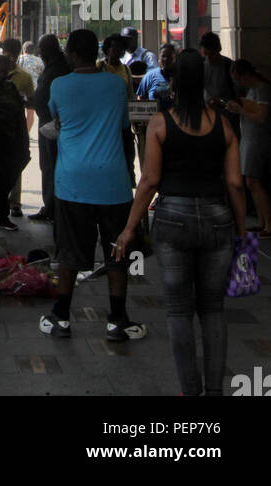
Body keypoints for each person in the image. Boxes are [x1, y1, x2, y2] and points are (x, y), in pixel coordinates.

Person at [114, 49, 245, 397]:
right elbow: (234, 183)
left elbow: (149, 181)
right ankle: (214, 391)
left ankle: (190, 391)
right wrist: (243, 230)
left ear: (172, 82)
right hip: (217, 219)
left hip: (172, 218)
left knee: (178, 311)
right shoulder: (224, 124)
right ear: (202, 81)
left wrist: (130, 228)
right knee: (213, 309)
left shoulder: (161, 123)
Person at [40, 28, 145, 343]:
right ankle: (117, 320)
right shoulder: (116, 84)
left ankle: (61, 317)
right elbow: (125, 125)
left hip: (72, 182)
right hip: (113, 182)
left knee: (69, 252)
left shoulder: (59, 85)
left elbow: (57, 121)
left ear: (71, 54)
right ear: (96, 53)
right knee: (117, 252)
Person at [0, 53, 30, 231]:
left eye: (5, 69)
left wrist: (22, 139)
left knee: (5, 176)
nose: (2, 72)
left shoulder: (11, 88)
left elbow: (19, 113)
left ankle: (2, 215)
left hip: (8, 138)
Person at [227, 59, 271, 236]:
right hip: (249, 137)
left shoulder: (262, 89)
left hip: (258, 139)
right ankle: (262, 222)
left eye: (239, 79)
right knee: (250, 181)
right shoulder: (253, 90)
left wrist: (241, 111)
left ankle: (268, 223)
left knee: (253, 180)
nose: (238, 83)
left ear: (246, 75)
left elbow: (261, 117)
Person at [30, 34, 70, 223]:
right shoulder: (55, 65)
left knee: (52, 166)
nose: (40, 53)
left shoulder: (61, 68)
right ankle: (51, 206)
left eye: (42, 49)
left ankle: (55, 209)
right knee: (48, 166)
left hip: (56, 126)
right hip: (47, 124)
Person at [0, 36, 35, 218]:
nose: (6, 57)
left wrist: (26, 126)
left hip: (14, 128)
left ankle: (15, 202)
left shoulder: (24, 78)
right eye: (4, 52)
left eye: (9, 54)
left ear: (15, 55)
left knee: (15, 164)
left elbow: (31, 102)